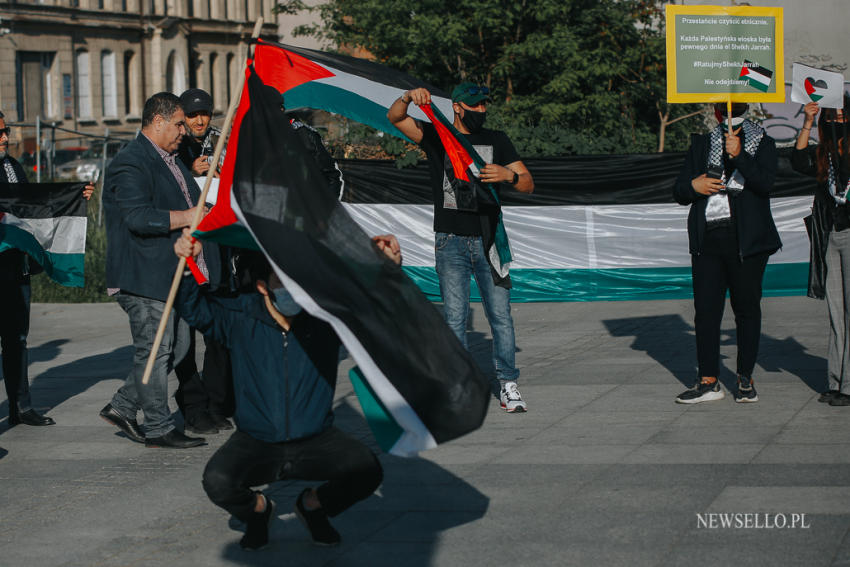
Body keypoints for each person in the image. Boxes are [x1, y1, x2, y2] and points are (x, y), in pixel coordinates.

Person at [173, 231, 389, 550]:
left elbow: (366, 304)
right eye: (281, 281)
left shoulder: (325, 320)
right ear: (262, 287)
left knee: (368, 471)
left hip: (316, 439)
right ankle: (258, 511)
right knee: (217, 481)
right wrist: (187, 261)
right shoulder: (239, 317)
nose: (291, 290)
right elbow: (193, 308)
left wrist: (383, 267)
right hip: (256, 441)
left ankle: (313, 507)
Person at [387, 83, 534, 413]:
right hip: (450, 240)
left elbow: (528, 183)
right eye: (475, 105)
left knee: (500, 316)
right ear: (457, 107)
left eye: (485, 104)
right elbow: (395, 118)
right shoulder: (438, 136)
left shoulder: (498, 140)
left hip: (489, 239)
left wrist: (508, 176)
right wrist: (409, 97)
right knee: (454, 317)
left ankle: (508, 384)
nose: (481, 110)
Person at [99, 92, 220, 448]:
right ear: (158, 121)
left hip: (170, 271)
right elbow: (138, 217)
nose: (185, 130)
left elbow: (186, 200)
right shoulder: (132, 162)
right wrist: (188, 217)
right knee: (154, 349)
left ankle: (122, 406)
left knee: (178, 347)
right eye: (180, 123)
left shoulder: (170, 158)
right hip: (141, 273)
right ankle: (158, 427)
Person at [673, 102, 781, 404]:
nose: (727, 112)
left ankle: (745, 378)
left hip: (747, 241)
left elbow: (766, 183)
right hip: (708, 239)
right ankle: (708, 380)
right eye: (722, 107)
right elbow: (679, 190)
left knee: (746, 309)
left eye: (732, 107)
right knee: (706, 312)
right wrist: (693, 185)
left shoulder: (764, 142)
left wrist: (739, 156)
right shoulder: (702, 144)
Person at [0, 110, 93, 426]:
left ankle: (21, 406)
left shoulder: (12, 168)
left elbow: (33, 208)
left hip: (15, 268)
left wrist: (75, 196)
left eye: (6, 130)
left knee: (17, 339)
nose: (5, 137)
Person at [173, 87, 235, 435]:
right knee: (183, 340)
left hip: (217, 251)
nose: (199, 121)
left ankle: (216, 403)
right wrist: (189, 170)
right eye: (193, 115)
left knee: (217, 334)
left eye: (205, 114)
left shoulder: (218, 141)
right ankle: (192, 406)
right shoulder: (176, 145)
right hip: (186, 251)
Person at [791, 96, 850, 406]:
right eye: (832, 117)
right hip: (830, 234)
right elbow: (798, 161)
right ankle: (836, 380)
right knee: (836, 311)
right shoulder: (823, 154)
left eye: (842, 116)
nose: (837, 121)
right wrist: (808, 122)